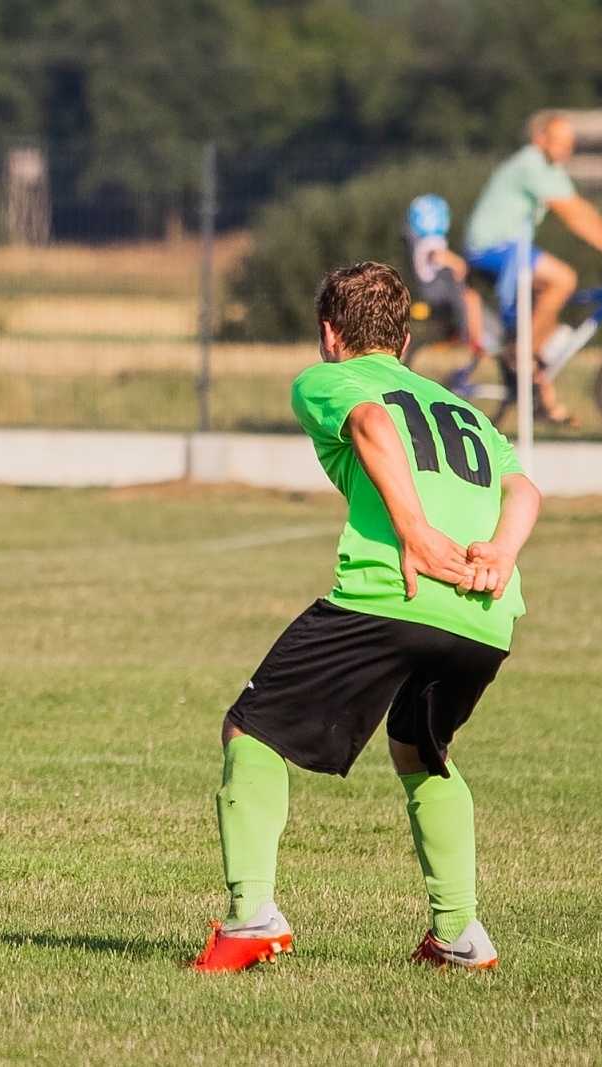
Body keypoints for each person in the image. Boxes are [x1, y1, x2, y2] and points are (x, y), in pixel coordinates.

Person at [190, 261, 541, 973]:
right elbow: (525, 486)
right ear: (404, 341)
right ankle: (459, 935)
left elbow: (372, 421)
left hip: (394, 594)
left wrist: (412, 532)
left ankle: (251, 916)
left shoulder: (328, 378)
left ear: (329, 332)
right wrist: (500, 554)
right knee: (421, 750)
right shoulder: (463, 409)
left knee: (249, 728)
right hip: (485, 613)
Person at [462, 110, 602, 425]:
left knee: (548, 309)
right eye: (560, 142)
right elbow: (570, 215)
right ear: (539, 139)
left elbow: (581, 208)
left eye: (569, 143)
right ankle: (520, 356)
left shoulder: (549, 168)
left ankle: (541, 396)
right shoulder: (530, 165)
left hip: (511, 248)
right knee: (563, 279)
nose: (566, 149)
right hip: (491, 246)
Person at [404, 194, 489, 376]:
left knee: (467, 296)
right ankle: (473, 341)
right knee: (470, 298)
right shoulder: (429, 241)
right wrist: (457, 263)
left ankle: (467, 337)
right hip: (436, 290)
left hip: (432, 289)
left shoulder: (417, 239)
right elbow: (436, 255)